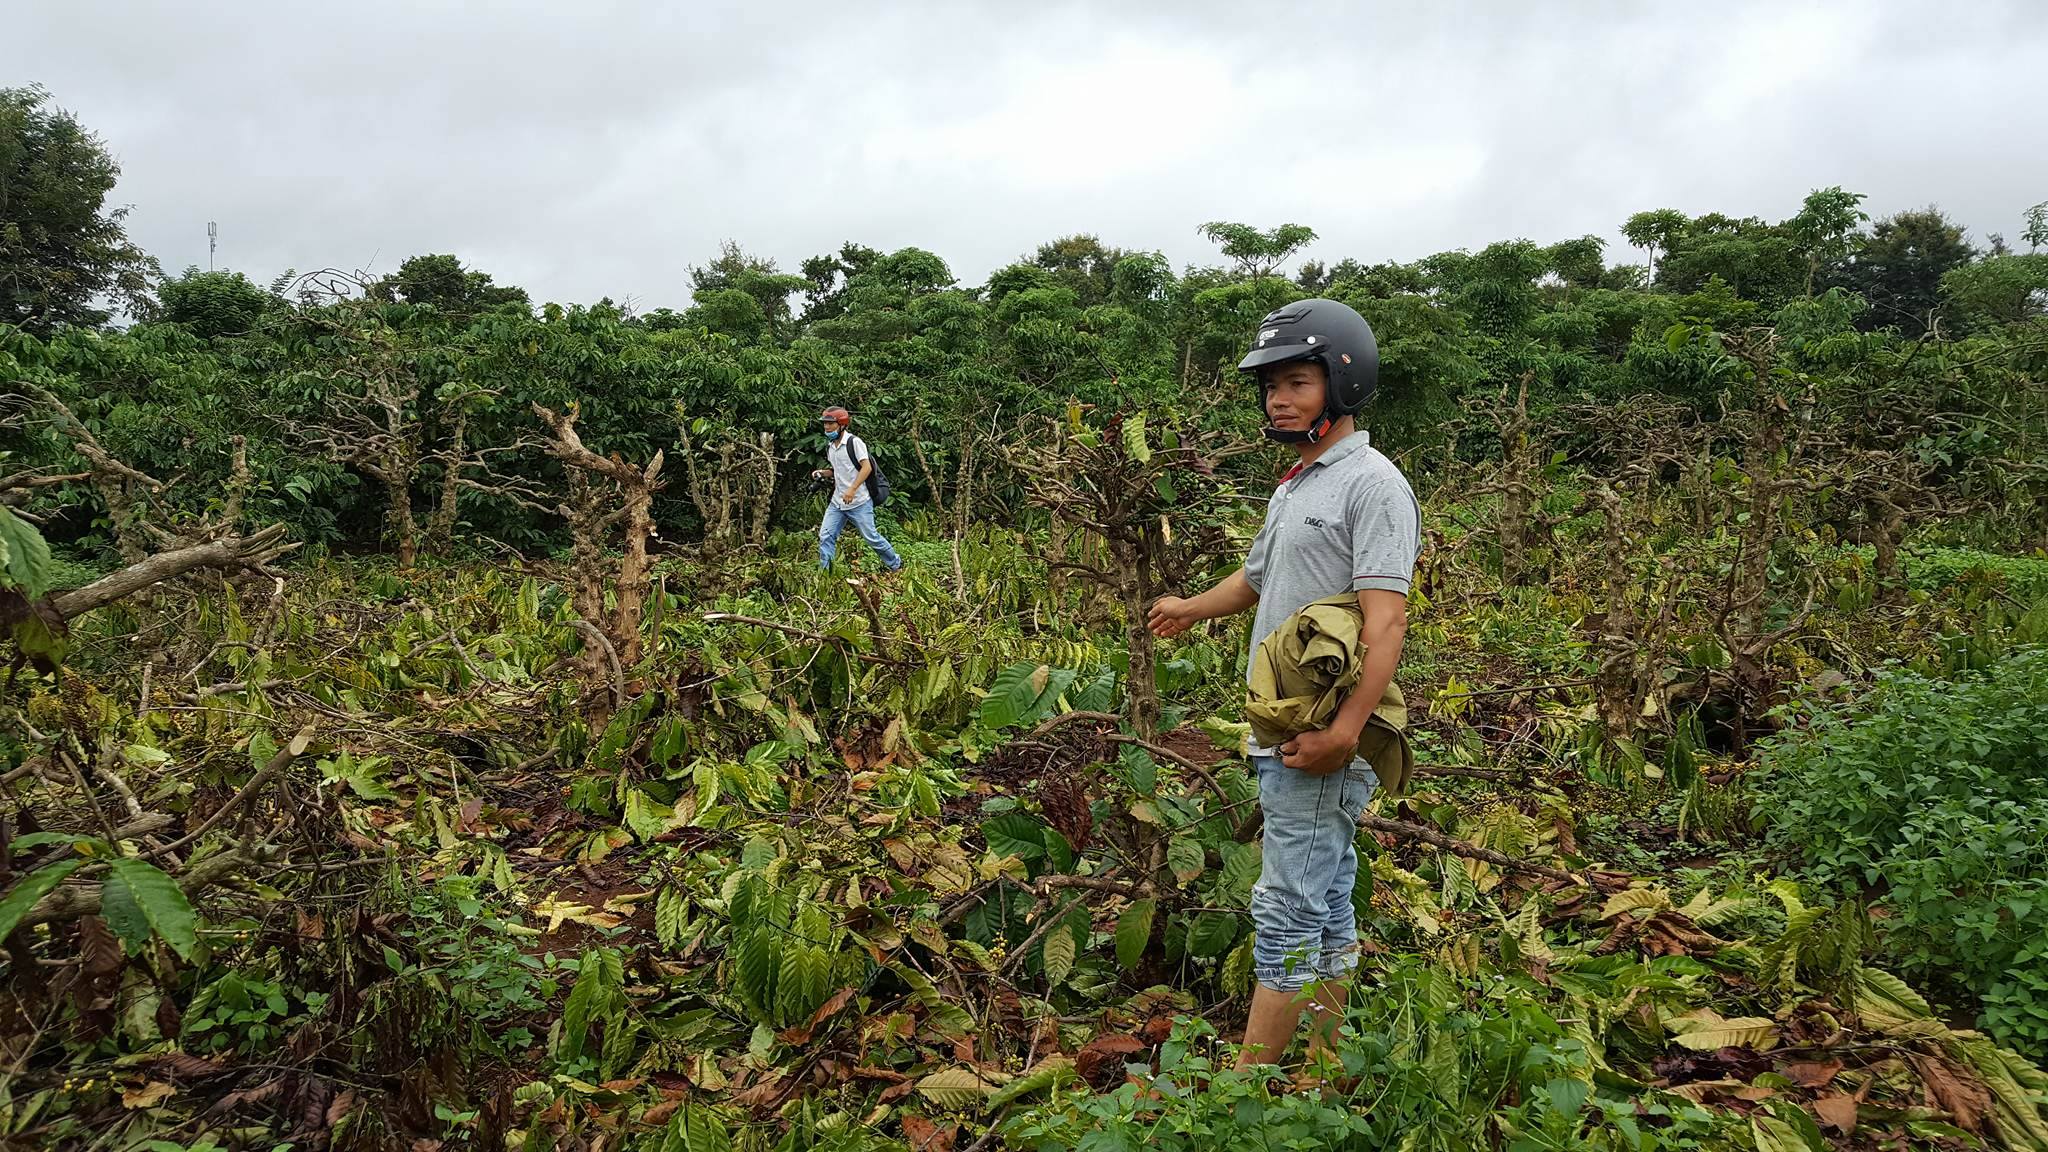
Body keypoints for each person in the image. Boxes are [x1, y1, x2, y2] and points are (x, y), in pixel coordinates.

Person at [1147, 299, 1419, 1074]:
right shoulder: (1299, 482)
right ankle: (1324, 1072)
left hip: (1321, 735)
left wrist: (1342, 735)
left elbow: (1386, 621)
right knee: (1327, 903)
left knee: (1287, 909)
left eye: (1295, 382)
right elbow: (1259, 575)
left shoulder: (1372, 485)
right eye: (1270, 386)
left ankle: (1244, 1097)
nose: (1277, 399)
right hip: (1285, 727)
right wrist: (1189, 609)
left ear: (1341, 382)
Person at [810, 405, 902, 574]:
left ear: (842, 425)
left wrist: (852, 489)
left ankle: (896, 565)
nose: (827, 427)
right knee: (825, 536)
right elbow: (837, 470)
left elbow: (866, 468)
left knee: (871, 537)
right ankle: (826, 575)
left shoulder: (854, 442)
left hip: (859, 501)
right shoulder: (830, 446)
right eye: (825, 424)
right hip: (837, 503)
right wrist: (823, 472)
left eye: (830, 424)